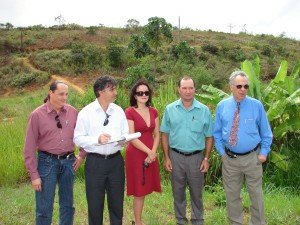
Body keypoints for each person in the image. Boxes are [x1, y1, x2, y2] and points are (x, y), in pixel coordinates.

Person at [213, 71, 273, 225]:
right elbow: (217, 132)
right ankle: (235, 222)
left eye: (246, 86)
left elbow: (266, 132)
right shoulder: (222, 106)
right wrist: (221, 153)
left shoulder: (256, 105)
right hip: (230, 160)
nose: (243, 89)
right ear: (231, 87)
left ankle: (258, 223)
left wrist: (263, 153)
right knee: (232, 195)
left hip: (253, 158)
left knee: (256, 195)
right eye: (239, 86)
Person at [23, 81, 86, 225]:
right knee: (44, 207)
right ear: (51, 93)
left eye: (66, 94)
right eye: (61, 94)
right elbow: (29, 147)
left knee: (68, 206)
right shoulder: (37, 115)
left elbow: (83, 135)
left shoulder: (72, 112)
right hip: (46, 163)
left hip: (69, 162)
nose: (64, 98)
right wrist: (34, 175)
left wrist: (82, 154)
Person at [73, 75, 129, 225]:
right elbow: (77, 138)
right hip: (95, 163)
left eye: (114, 89)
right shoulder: (86, 112)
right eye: (112, 89)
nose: (115, 92)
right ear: (100, 91)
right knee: (95, 204)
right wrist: (96, 139)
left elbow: (125, 132)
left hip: (116, 161)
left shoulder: (118, 111)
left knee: (117, 203)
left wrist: (124, 140)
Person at [160, 76, 213, 225]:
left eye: (190, 88)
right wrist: (167, 157)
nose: (188, 91)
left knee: (197, 194)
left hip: (197, 158)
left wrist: (206, 159)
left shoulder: (204, 110)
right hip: (176, 157)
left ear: (195, 89)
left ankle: (198, 221)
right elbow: (164, 134)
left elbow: (209, 136)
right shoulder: (170, 109)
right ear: (179, 89)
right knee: (178, 193)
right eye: (184, 88)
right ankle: (180, 221)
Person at [125, 80, 161, 225]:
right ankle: (138, 221)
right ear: (134, 95)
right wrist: (149, 152)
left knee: (145, 187)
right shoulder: (129, 111)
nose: (143, 95)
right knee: (139, 189)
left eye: (146, 92)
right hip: (136, 153)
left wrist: (153, 152)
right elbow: (131, 136)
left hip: (150, 153)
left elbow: (157, 134)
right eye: (140, 93)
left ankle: (138, 219)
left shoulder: (154, 111)